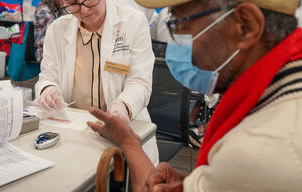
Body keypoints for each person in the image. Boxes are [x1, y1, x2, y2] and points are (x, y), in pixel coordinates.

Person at [87, 0, 302, 191]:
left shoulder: (259, 151)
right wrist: (201, 180)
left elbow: (247, 167)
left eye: (181, 24)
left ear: (246, 26)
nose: (176, 41)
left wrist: (128, 141)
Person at [34, 0, 159, 165]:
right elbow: (48, 76)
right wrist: (49, 90)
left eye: (88, 0)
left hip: (124, 129)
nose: (84, 10)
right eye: (73, 4)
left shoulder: (133, 22)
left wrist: (122, 106)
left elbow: (140, 81)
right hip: (75, 132)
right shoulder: (57, 29)